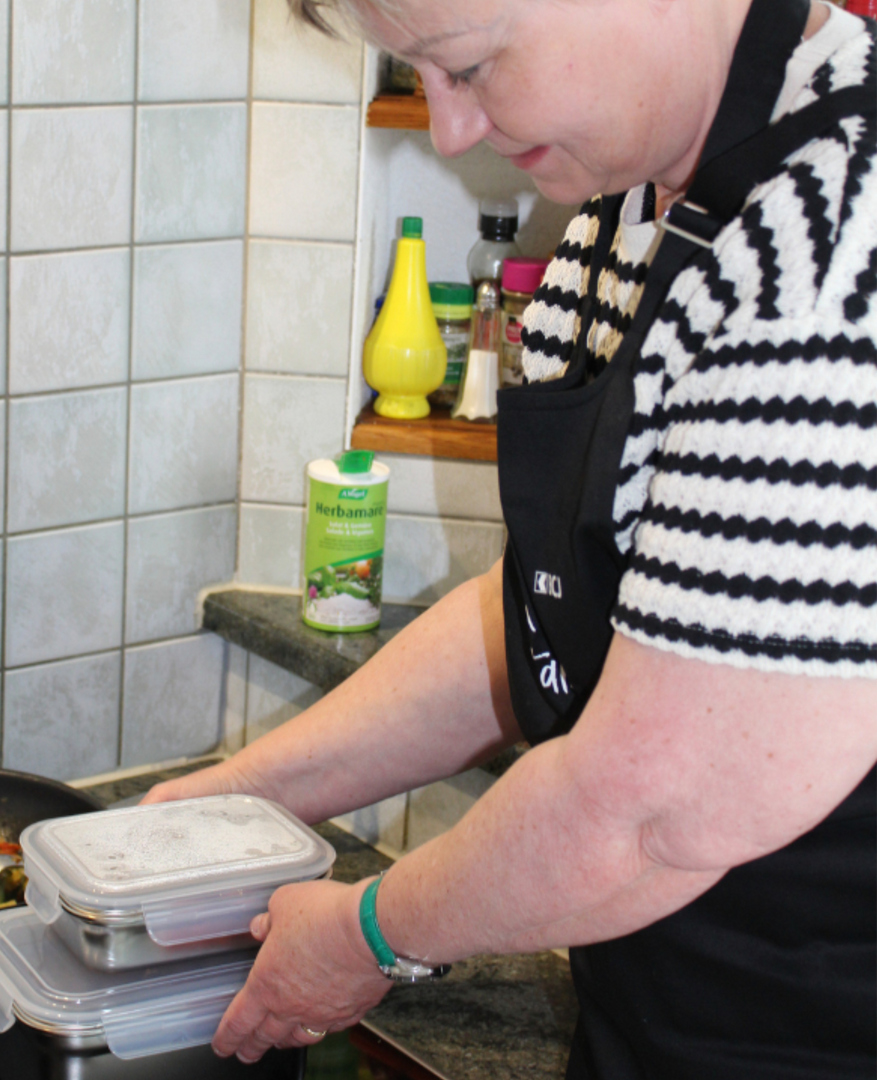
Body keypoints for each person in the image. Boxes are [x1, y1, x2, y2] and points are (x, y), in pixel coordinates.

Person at [144, 0, 877, 1075]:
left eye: (472, 66)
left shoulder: (833, 256)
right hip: (665, 1014)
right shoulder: (630, 204)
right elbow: (538, 615)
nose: (450, 133)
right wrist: (232, 801)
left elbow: (652, 812)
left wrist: (368, 935)